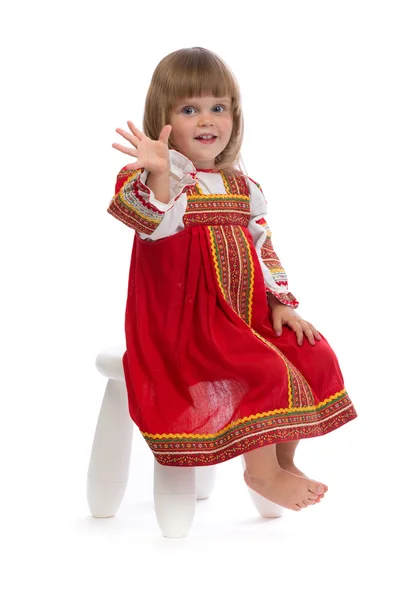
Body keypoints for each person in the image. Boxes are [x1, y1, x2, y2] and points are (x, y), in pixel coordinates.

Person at [107, 46, 357, 512]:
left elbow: (263, 247)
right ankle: (260, 473)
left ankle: (282, 458)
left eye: (218, 108)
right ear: (163, 118)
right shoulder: (155, 179)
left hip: (245, 316)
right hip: (185, 325)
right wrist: (159, 173)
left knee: (311, 352)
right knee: (261, 368)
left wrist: (281, 303)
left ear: (234, 117)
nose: (207, 120)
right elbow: (151, 224)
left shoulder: (243, 186)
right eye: (189, 109)